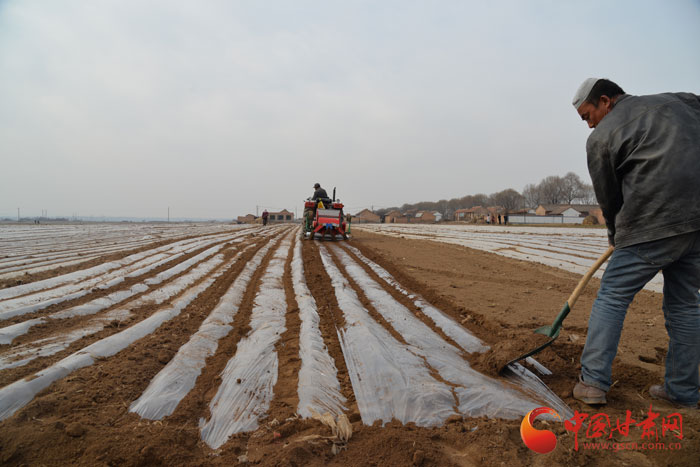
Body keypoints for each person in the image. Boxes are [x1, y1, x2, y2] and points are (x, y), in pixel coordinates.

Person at [571, 78, 700, 408]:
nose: (588, 124)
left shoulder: (601, 137)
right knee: (685, 304)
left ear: (605, 101)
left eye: (588, 115)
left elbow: (608, 195)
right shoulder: (681, 101)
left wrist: (616, 234)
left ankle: (593, 383)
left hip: (650, 222)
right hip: (695, 222)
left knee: (612, 296)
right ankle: (683, 391)